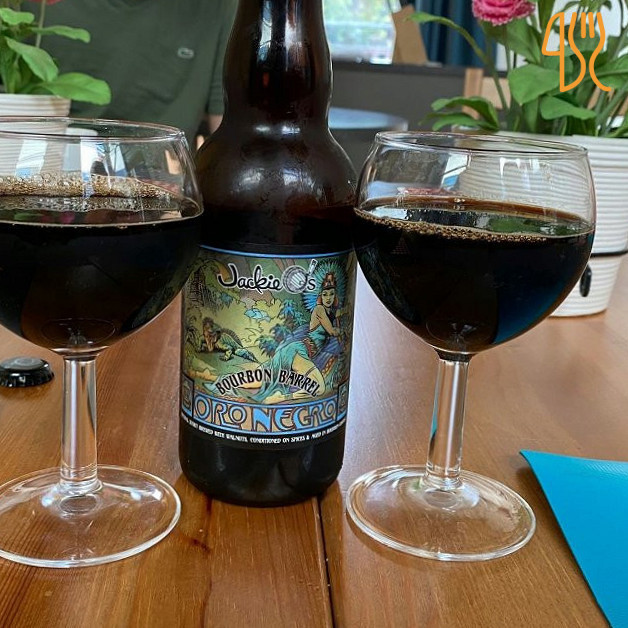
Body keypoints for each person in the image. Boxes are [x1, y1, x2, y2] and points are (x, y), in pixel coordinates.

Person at [36, 0, 237, 144]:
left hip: (161, 176)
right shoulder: (30, 7)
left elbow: (232, 136)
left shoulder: (221, 7)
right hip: (47, 166)